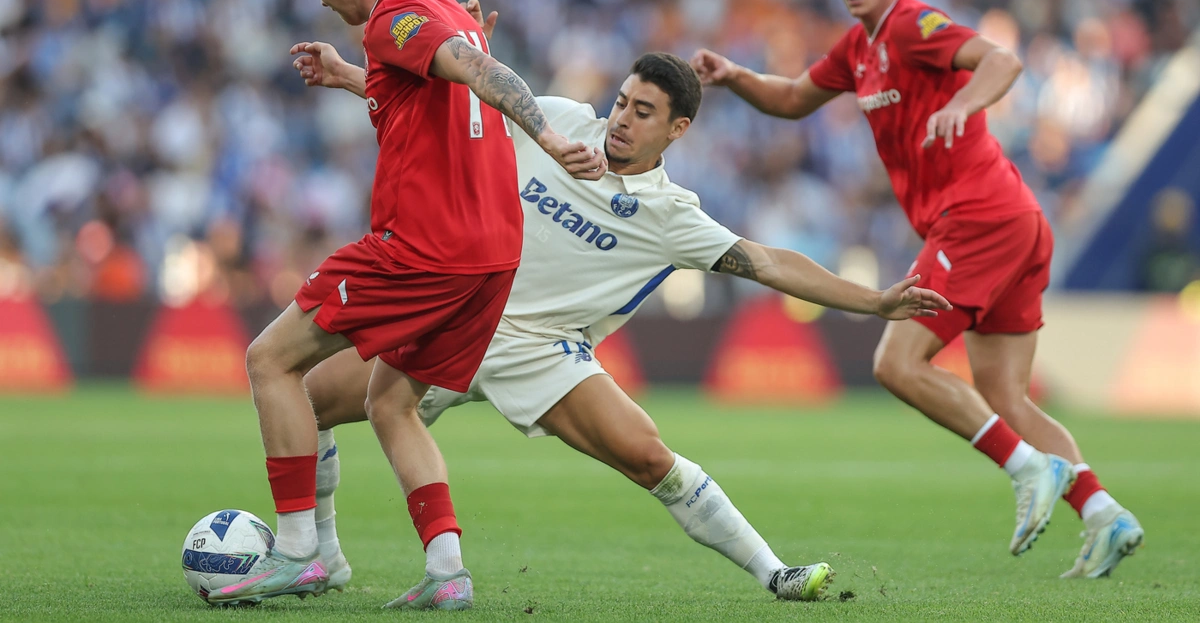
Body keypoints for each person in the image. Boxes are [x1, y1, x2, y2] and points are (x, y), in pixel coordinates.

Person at [292, 40, 951, 606]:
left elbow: (771, 263)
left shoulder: (672, 215)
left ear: (677, 129)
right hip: (457, 312)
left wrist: (875, 301)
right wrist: (349, 74)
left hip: (544, 350)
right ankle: (324, 555)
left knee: (649, 456)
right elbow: (449, 107)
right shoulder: (557, 121)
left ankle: (775, 573)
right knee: (309, 400)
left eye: (643, 112)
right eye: (621, 102)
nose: (622, 120)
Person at [691, 0, 1143, 579]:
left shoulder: (911, 24)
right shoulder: (857, 48)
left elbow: (1003, 59)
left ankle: (1027, 467)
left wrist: (963, 104)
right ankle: (1104, 512)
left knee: (896, 364)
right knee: (1007, 398)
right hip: (1011, 219)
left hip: (977, 217)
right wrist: (735, 75)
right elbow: (790, 98)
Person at [205, 0, 607, 608]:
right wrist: (345, 76)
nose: (323, 1)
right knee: (391, 401)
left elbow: (480, 73)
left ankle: (297, 551)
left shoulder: (396, 18)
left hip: (424, 247)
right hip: (492, 256)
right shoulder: (442, 8)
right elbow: (429, 88)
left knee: (270, 359)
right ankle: (447, 571)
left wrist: (548, 136)